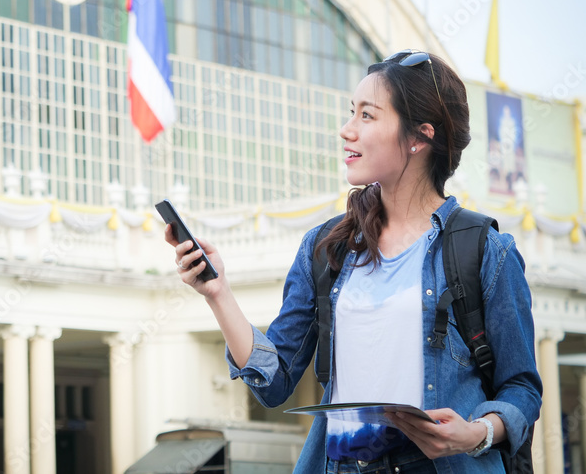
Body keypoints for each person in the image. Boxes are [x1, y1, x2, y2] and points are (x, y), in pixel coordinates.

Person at [166, 51, 542, 473]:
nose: (347, 131)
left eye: (367, 116)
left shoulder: (485, 250)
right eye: (351, 113)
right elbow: (274, 382)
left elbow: (521, 389)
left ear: (418, 136)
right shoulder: (328, 246)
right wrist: (218, 293)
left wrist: (477, 433)